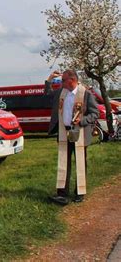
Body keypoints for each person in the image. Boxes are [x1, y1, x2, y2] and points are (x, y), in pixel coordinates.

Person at [45, 69, 99, 205]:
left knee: (80, 163)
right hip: (65, 132)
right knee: (64, 163)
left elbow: (95, 113)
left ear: (72, 80)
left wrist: (82, 121)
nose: (61, 82)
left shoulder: (85, 94)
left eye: (63, 80)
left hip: (79, 133)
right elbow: (47, 95)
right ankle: (62, 193)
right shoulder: (61, 93)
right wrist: (49, 80)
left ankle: (80, 193)